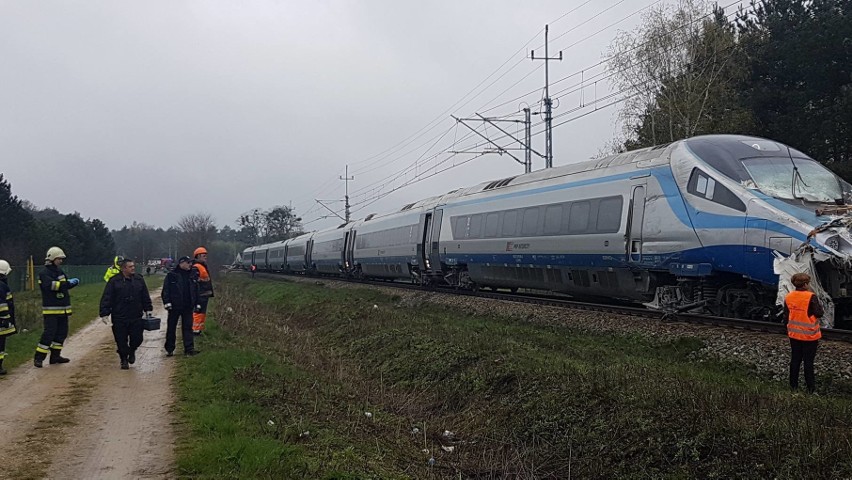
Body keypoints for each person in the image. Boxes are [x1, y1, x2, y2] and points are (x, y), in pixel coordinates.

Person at [99, 258, 153, 370]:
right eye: (130, 266)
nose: (133, 268)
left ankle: (132, 350)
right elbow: (107, 297)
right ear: (124, 268)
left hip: (136, 315)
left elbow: (145, 295)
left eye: (133, 266)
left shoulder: (139, 279)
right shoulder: (114, 281)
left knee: (137, 338)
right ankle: (124, 359)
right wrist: (104, 313)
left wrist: (148, 309)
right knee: (121, 340)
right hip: (119, 316)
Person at [34, 247, 79, 368]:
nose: (61, 261)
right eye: (59, 259)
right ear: (52, 259)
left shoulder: (59, 271)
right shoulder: (44, 273)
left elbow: (63, 286)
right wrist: (67, 283)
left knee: (61, 334)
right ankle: (39, 358)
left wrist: (70, 284)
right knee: (49, 334)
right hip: (51, 309)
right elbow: (52, 286)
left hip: (63, 309)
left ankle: (55, 356)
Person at [784, 272, 824, 394]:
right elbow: (819, 313)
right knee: (808, 362)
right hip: (809, 335)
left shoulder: (788, 297)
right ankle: (810, 389)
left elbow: (786, 315)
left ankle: (793, 387)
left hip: (794, 335)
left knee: (795, 360)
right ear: (805, 284)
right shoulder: (811, 297)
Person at [162, 256, 200, 357]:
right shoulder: (172, 275)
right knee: (171, 328)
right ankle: (170, 348)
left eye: (190, 263)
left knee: (188, 327)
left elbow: (196, 290)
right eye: (188, 263)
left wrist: (197, 303)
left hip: (188, 306)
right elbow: (166, 290)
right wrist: (167, 302)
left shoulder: (192, 275)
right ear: (181, 263)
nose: (190, 265)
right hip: (174, 306)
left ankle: (189, 349)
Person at [191, 247, 214, 334]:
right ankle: (195, 329)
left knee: (202, 313)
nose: (205, 257)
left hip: (204, 293)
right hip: (200, 294)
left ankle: (198, 329)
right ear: (198, 256)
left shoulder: (202, 266)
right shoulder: (196, 267)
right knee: (198, 311)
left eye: (206, 255)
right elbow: (194, 280)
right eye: (204, 255)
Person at [0, 260, 16, 375]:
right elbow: (5, 304)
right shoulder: (2, 286)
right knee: (0, 345)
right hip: (1, 321)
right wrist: (5, 319)